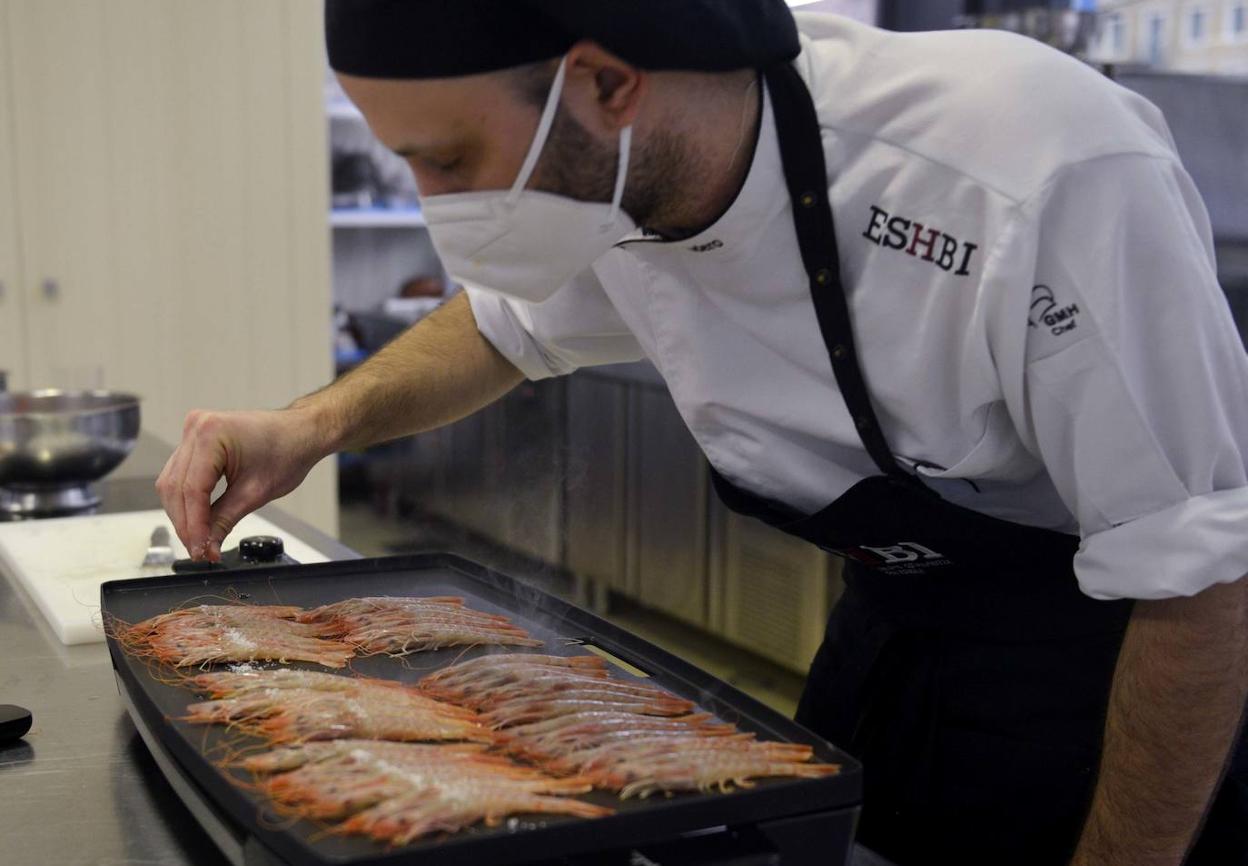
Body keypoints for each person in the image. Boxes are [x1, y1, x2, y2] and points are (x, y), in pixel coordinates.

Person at [156, 2, 1248, 864]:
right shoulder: (622, 174)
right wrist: (308, 425)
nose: (430, 196)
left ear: (607, 83)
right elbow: (500, 329)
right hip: (890, 642)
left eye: (444, 159)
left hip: (1118, 677)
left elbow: (1201, 579)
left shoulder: (1031, 169)